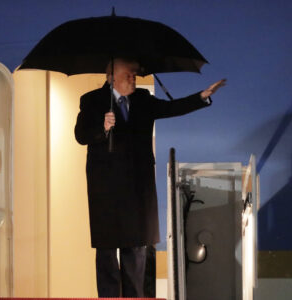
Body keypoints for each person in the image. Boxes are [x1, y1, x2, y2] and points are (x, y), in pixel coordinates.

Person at [74, 58, 226, 298]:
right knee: (106, 250)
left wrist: (202, 96)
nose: (134, 79)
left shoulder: (143, 100)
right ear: (111, 77)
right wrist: (102, 128)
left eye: (135, 75)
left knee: (135, 247)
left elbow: (170, 108)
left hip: (138, 185)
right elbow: (81, 135)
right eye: (128, 75)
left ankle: (135, 297)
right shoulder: (92, 100)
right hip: (106, 188)